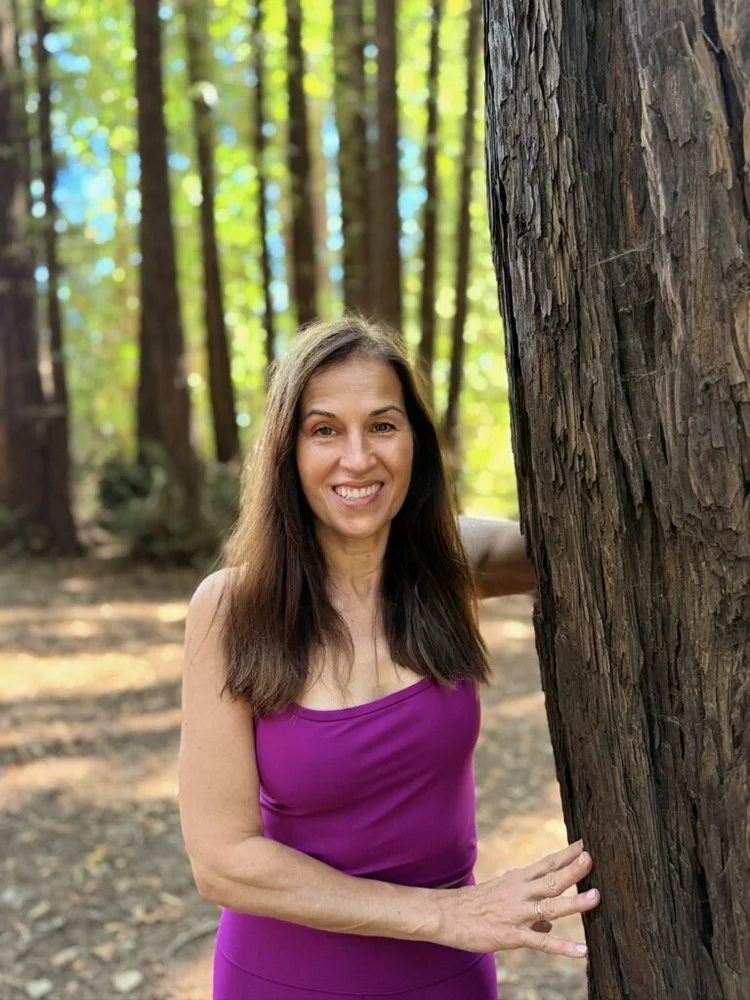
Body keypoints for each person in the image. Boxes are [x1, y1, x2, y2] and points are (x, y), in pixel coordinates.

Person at [178, 317, 600, 1000]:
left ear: (414, 443)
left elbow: (589, 541)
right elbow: (222, 862)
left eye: (382, 425)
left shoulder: (448, 563)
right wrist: (446, 914)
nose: (357, 457)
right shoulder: (232, 610)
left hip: (449, 976)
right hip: (287, 978)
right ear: (287, 451)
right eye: (324, 430)